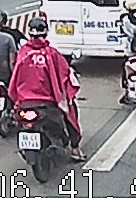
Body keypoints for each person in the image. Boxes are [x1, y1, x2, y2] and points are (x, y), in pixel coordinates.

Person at [10, 17, 85, 161]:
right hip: (46, 102)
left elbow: (15, 76)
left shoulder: (23, 53)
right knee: (70, 111)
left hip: (24, 102)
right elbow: (64, 74)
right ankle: (75, 149)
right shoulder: (52, 53)